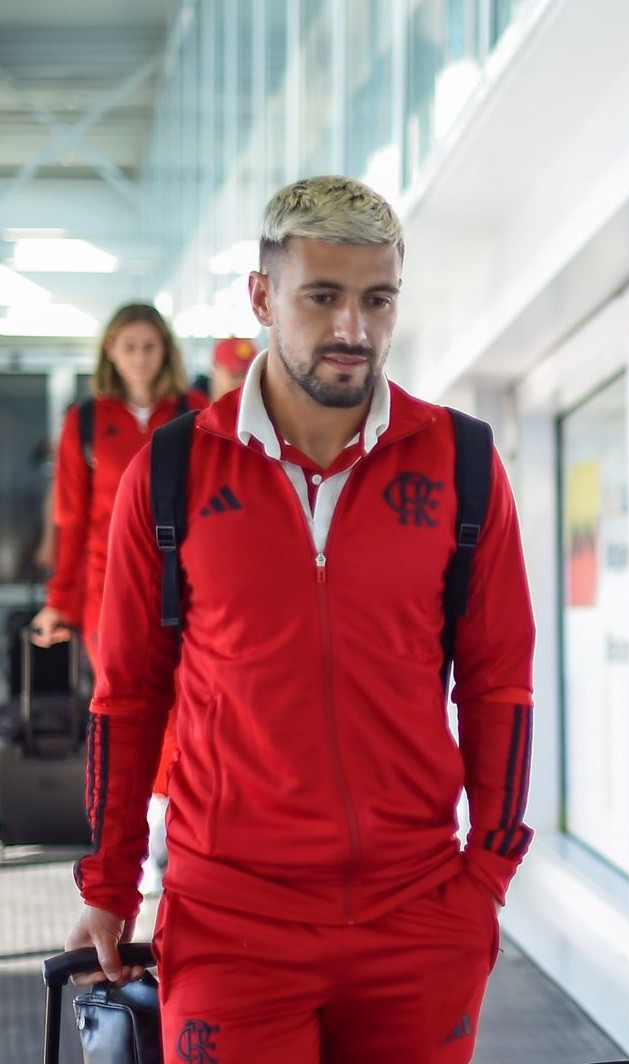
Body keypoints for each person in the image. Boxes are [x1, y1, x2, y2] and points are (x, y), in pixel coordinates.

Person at [64, 175, 536, 1064]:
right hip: (232, 921)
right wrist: (110, 878)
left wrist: (489, 877)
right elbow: (128, 697)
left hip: (419, 915)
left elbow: (500, 682)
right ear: (262, 297)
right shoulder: (171, 473)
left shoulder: (462, 463)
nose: (353, 329)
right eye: (323, 297)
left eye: (377, 299)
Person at [30, 303, 206, 667]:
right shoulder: (85, 421)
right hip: (107, 582)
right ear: (110, 350)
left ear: (166, 350)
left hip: (186, 580)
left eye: (149, 347)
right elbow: (71, 517)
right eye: (129, 347)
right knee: (118, 701)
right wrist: (58, 601)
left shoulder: (196, 412)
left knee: (183, 709)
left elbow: (218, 503)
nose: (140, 359)